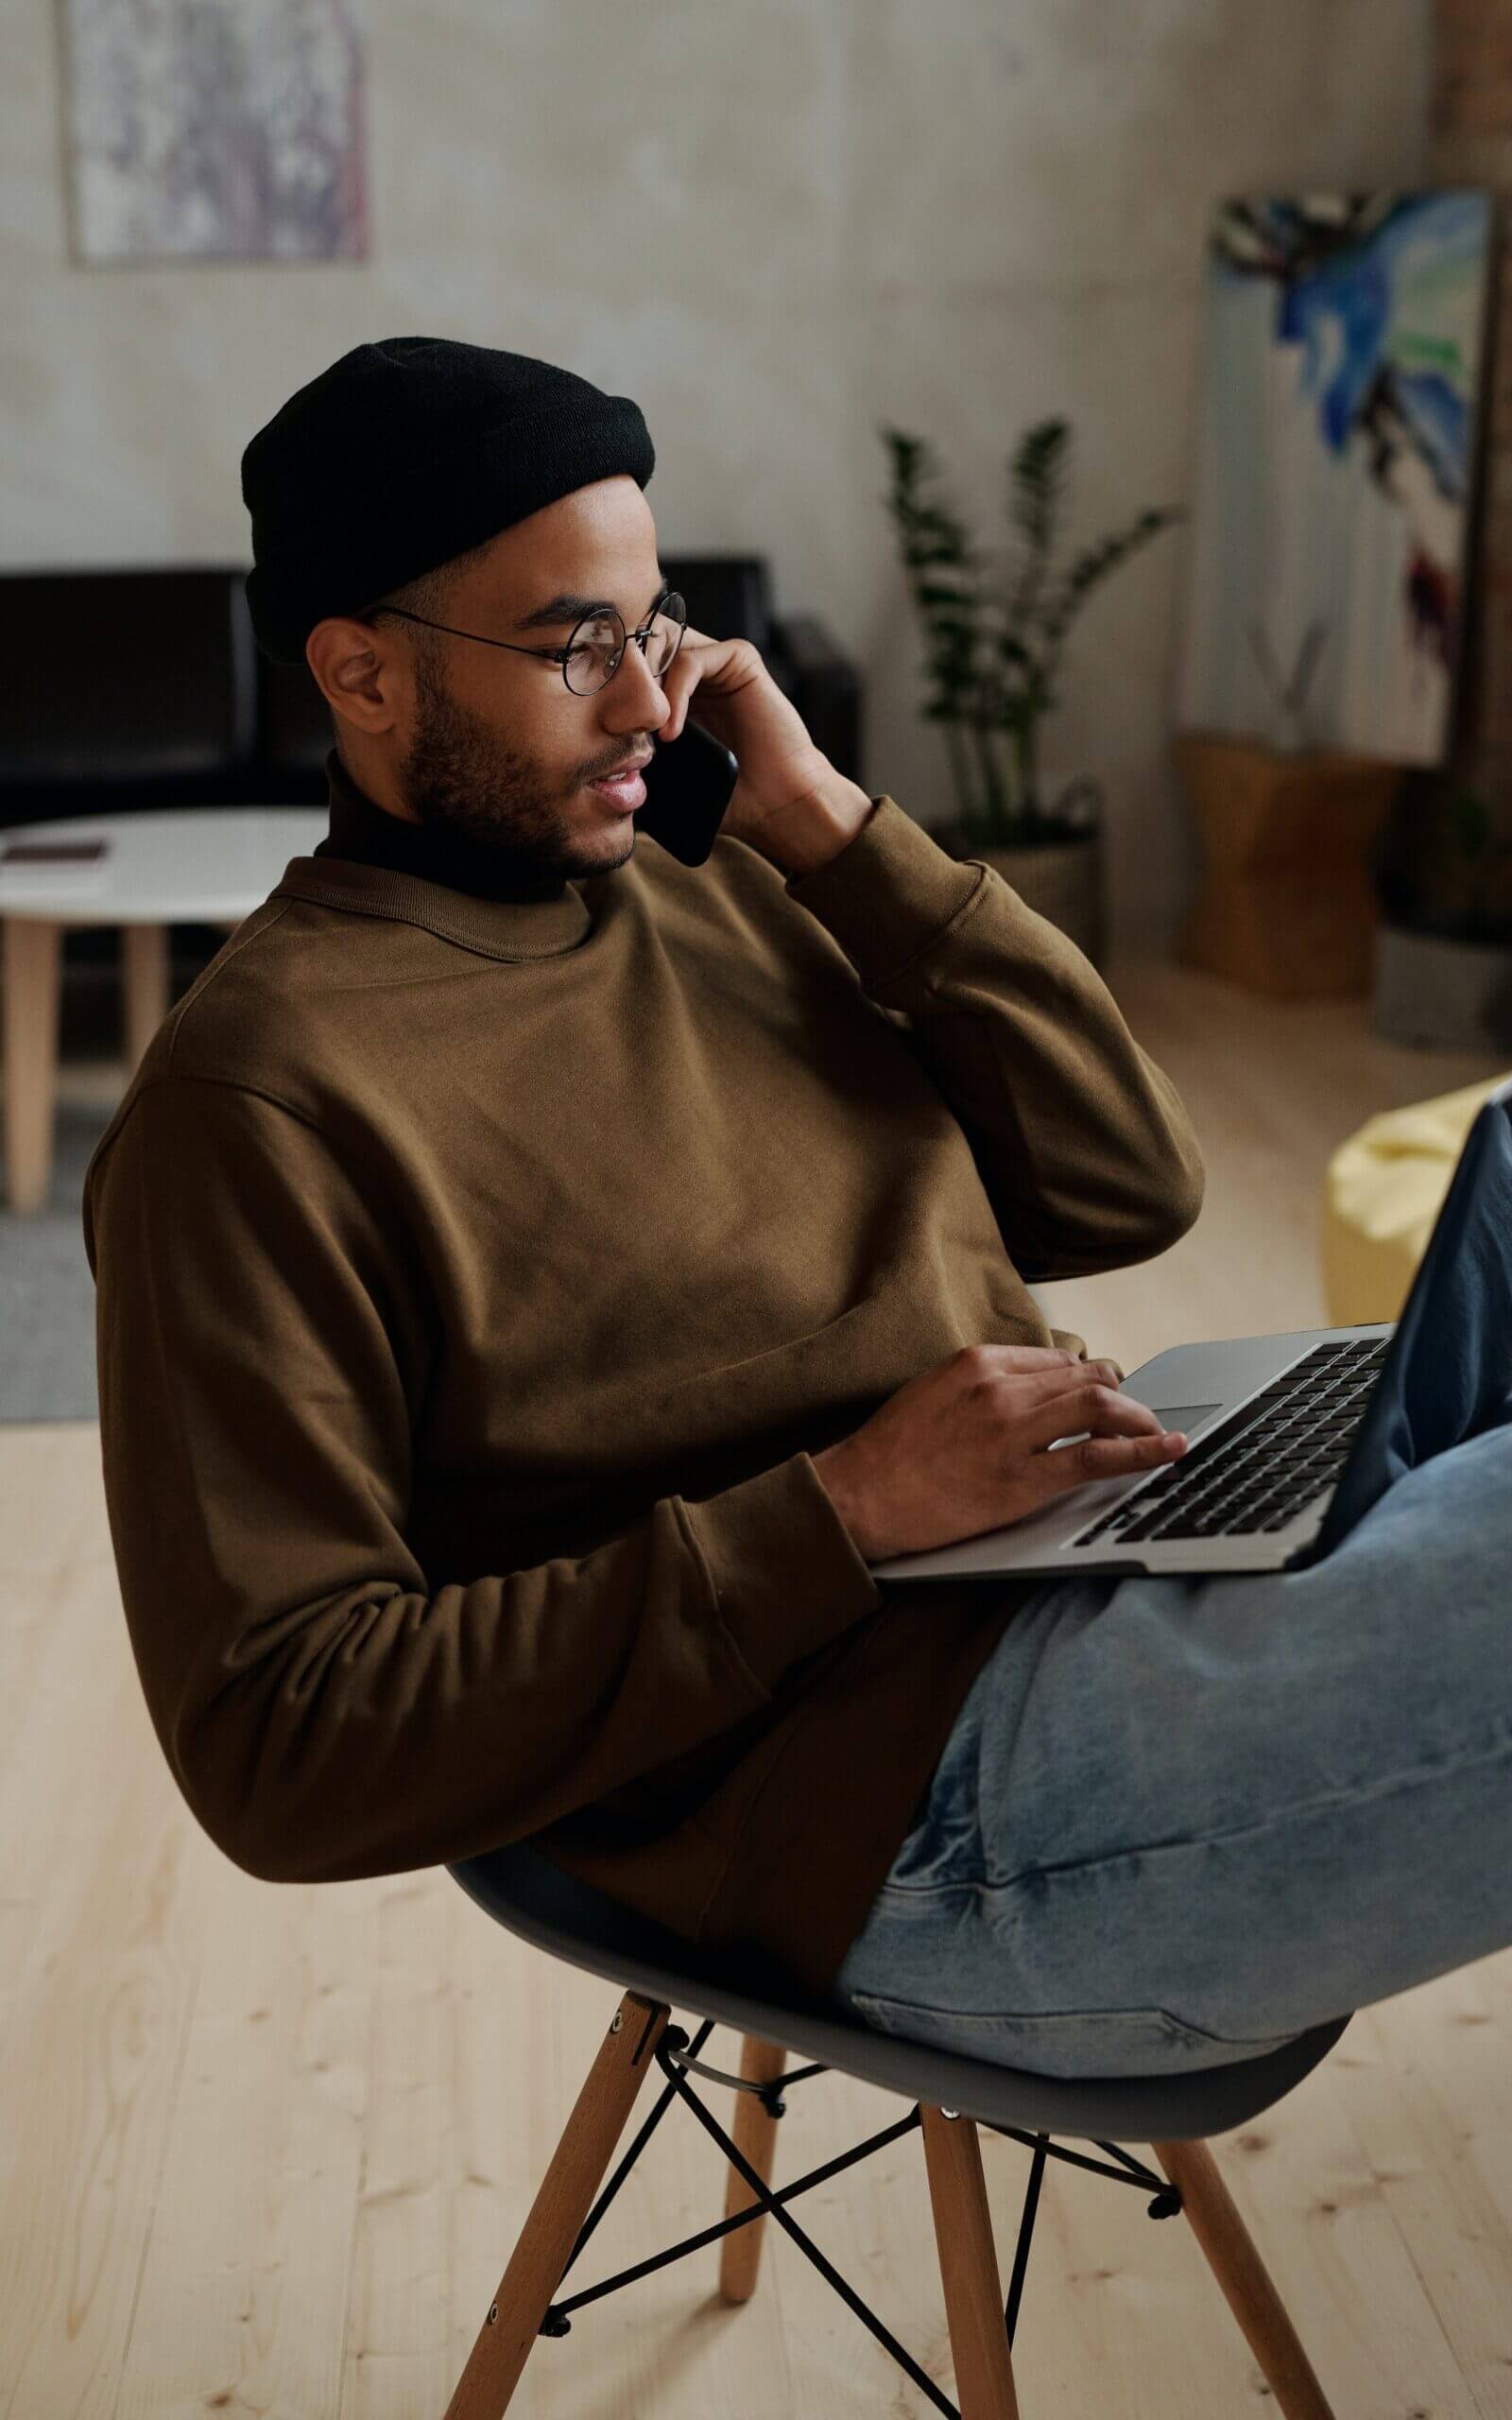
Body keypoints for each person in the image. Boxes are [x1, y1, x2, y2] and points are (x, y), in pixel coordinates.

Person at [87, 337, 1503, 2085]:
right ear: (362, 674)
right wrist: (840, 1511)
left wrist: (834, 828)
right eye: (572, 644)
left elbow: (1130, 1177)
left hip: (1110, 1564)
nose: (646, 702)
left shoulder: (722, 879)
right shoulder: (255, 1104)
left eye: (653, 621)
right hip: (916, 1826)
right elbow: (278, 1741)